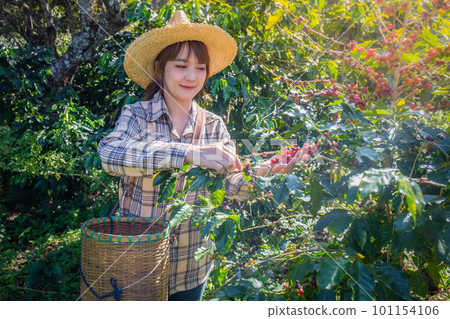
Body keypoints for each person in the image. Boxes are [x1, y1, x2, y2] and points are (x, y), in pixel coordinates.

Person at [97, 10, 309, 301]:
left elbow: (231, 186)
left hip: (190, 267)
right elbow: (110, 155)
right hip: (138, 263)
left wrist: (265, 173)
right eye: (181, 65)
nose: (191, 76)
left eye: (200, 68)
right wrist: (188, 153)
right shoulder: (137, 115)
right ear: (160, 68)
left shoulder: (214, 125)